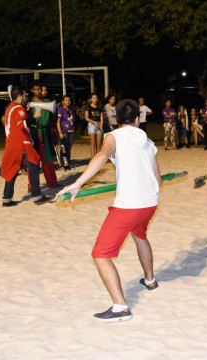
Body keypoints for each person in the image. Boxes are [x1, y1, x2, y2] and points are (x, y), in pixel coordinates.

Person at [57, 99, 163, 323]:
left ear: (116, 119)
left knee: (101, 255)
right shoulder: (149, 142)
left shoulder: (113, 136)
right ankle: (150, 280)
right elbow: (159, 181)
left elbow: (101, 156)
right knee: (139, 234)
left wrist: (78, 183)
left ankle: (121, 308)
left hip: (130, 205)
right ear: (137, 119)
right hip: (150, 203)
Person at [0, 86, 50, 207]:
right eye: (25, 96)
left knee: (12, 169)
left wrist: (27, 113)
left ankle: (7, 199)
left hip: (12, 144)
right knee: (33, 167)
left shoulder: (10, 108)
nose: (26, 98)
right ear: (19, 97)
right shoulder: (18, 108)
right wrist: (34, 116)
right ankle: (37, 196)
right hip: (21, 144)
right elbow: (21, 124)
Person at [28, 81, 58, 187]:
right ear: (32, 90)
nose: (38, 91)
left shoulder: (47, 101)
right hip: (35, 133)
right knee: (34, 160)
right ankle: (32, 185)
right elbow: (27, 120)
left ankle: (52, 183)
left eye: (40, 89)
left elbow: (52, 118)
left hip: (46, 133)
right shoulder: (29, 103)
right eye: (36, 89)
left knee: (48, 160)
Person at [57, 95, 76, 166]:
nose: (68, 102)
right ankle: (64, 163)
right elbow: (58, 121)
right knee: (64, 148)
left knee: (69, 148)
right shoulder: (60, 110)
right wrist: (60, 132)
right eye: (66, 100)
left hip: (71, 131)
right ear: (62, 101)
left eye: (69, 100)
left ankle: (68, 162)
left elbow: (73, 120)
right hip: (64, 131)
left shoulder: (71, 110)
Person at [84, 93, 104, 157]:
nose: (95, 99)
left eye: (96, 98)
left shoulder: (100, 106)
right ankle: (93, 158)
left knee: (98, 144)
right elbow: (86, 118)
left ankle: (97, 158)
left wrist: (101, 125)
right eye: (93, 98)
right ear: (90, 99)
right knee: (93, 144)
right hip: (91, 125)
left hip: (98, 125)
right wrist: (94, 122)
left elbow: (101, 117)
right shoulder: (88, 107)